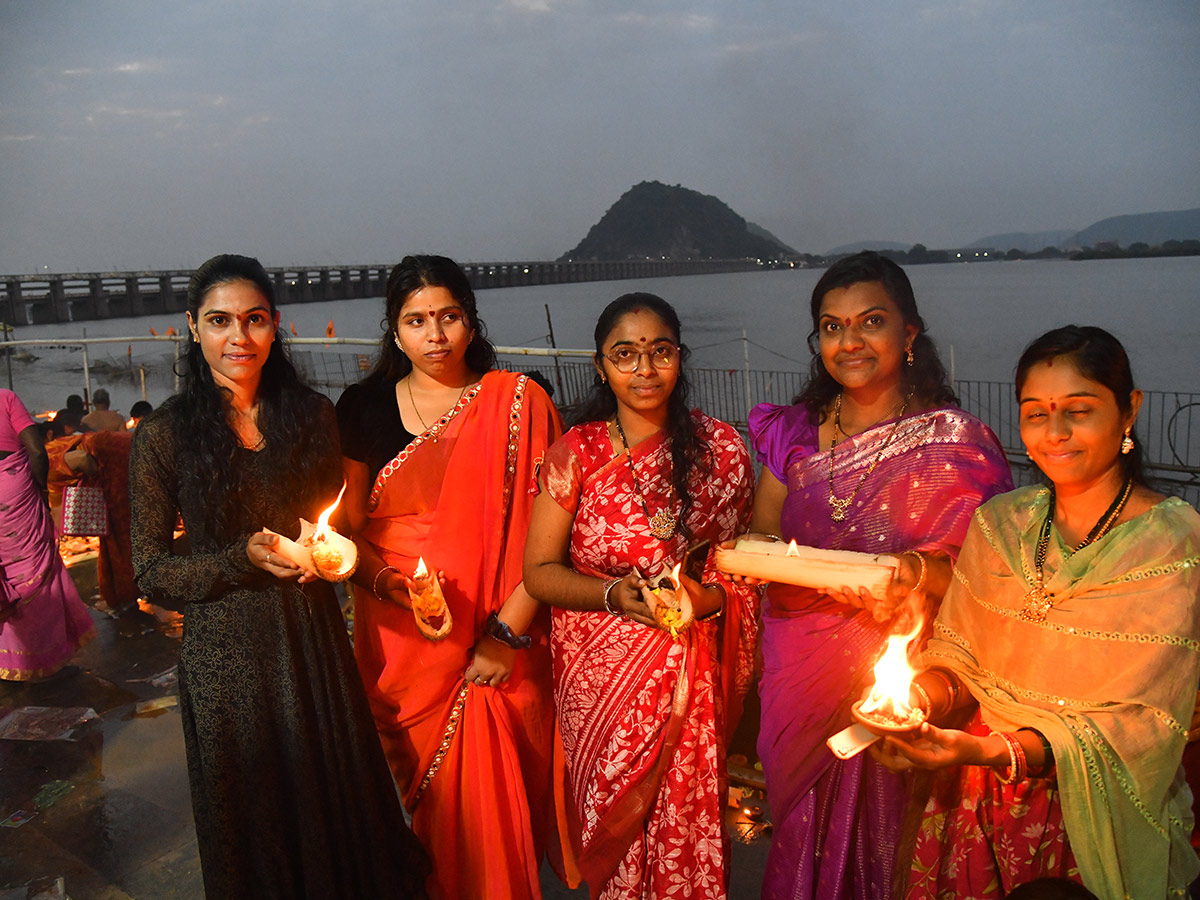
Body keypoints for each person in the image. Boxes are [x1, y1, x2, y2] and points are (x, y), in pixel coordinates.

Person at [130, 254, 428, 899]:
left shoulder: (312, 414)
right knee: (256, 822)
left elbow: (333, 530)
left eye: (254, 320)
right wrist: (242, 557)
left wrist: (334, 558)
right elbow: (151, 570)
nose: (238, 338)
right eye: (219, 321)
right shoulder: (164, 434)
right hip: (225, 660)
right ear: (192, 327)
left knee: (336, 806)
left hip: (311, 641)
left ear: (274, 327)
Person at [878, 325, 1200, 899]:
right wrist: (913, 700)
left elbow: (1143, 720)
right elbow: (961, 661)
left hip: (1093, 814)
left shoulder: (1171, 542)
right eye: (1035, 413)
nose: (1055, 433)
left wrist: (997, 749)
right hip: (975, 802)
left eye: (1079, 410)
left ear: (1129, 410)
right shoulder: (1000, 524)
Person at [745, 251, 1013, 899]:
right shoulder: (795, 433)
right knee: (800, 827)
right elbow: (760, 535)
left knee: (891, 840)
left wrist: (912, 574)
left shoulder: (955, 443)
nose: (849, 341)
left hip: (898, 674)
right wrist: (761, 562)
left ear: (909, 333)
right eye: (832, 327)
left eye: (870, 321)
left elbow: (989, 579)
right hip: (798, 665)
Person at [336, 254, 562, 900]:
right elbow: (350, 528)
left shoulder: (518, 404)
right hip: (398, 633)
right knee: (424, 808)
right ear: (394, 330)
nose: (434, 336)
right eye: (416, 321)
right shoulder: (363, 406)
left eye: (448, 317)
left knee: (491, 801)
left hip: (498, 631)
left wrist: (504, 634)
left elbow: (549, 535)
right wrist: (389, 589)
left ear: (470, 320)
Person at [524, 292, 759, 899]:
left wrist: (701, 603)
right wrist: (611, 595)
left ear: (681, 357)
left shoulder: (724, 451)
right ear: (601, 366)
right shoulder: (575, 454)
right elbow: (539, 573)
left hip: (689, 673)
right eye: (624, 355)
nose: (645, 370)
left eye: (660, 352)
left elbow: (744, 568)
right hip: (601, 687)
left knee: (686, 829)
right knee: (617, 844)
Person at [0, 388, 94, 680]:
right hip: (16, 490)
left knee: (7, 573)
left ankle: (9, 661)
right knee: (38, 570)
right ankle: (44, 659)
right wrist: (40, 489)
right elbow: (37, 449)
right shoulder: (6, 398)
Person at [47, 428, 137, 614]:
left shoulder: (43, 462)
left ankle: (125, 596)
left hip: (117, 462)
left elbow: (81, 458)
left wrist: (97, 480)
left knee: (119, 536)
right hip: (117, 458)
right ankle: (120, 595)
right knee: (115, 534)